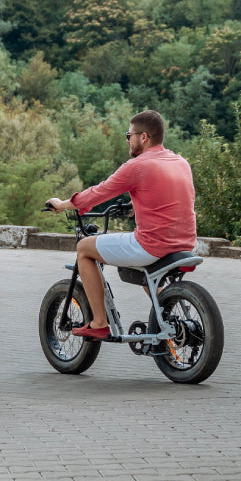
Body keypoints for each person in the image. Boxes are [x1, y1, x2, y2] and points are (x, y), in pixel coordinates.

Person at [47, 109, 196, 340]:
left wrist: (63, 204)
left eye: (129, 135)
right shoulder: (180, 162)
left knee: (85, 248)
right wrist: (136, 203)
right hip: (184, 243)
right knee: (147, 274)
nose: (128, 140)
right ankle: (168, 318)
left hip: (151, 245)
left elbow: (98, 192)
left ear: (143, 137)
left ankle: (98, 322)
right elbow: (171, 196)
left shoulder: (137, 166)